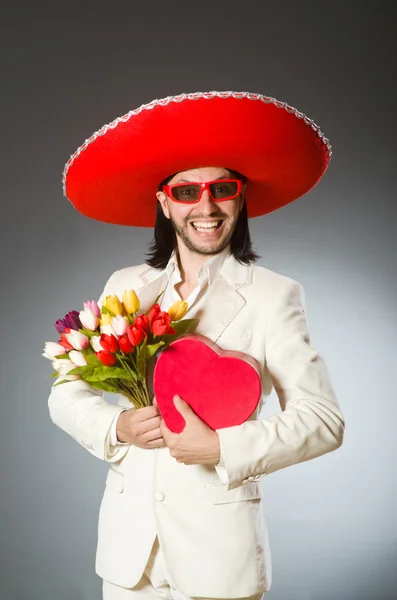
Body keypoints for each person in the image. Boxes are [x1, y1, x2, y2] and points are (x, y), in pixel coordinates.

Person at [48, 91, 345, 600]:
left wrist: (223, 448)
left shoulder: (274, 295)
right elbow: (65, 394)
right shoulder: (125, 288)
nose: (205, 207)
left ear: (240, 197)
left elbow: (323, 420)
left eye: (221, 189)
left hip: (219, 560)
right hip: (128, 558)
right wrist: (116, 426)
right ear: (164, 201)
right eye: (187, 193)